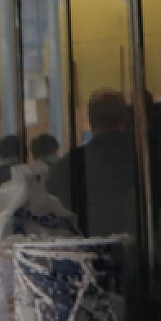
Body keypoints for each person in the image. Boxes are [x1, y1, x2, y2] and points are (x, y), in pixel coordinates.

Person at [47, 90, 140, 237]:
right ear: (124, 119)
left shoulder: (69, 164)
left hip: (84, 247)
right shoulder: (141, 159)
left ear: (90, 120)